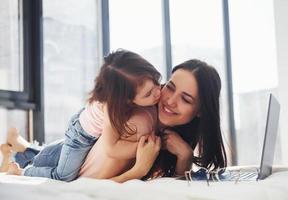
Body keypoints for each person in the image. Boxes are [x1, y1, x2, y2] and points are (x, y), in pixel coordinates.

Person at [1, 58, 227, 183]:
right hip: (79, 141)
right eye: (170, 86)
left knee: (49, 153)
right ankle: (19, 167)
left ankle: (22, 146)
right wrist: (138, 169)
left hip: (77, 141)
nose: (168, 100)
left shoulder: (160, 123)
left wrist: (184, 155)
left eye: (185, 99)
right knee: (59, 169)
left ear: (201, 111)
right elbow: (87, 181)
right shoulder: (140, 124)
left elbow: (173, 183)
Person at [0, 49, 162, 181]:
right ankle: (21, 171)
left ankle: (22, 146)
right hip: (80, 138)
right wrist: (145, 147)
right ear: (126, 99)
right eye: (148, 94)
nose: (158, 91)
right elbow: (111, 148)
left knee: (57, 156)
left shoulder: (128, 94)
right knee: (64, 175)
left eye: (156, 80)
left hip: (87, 124)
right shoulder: (112, 108)